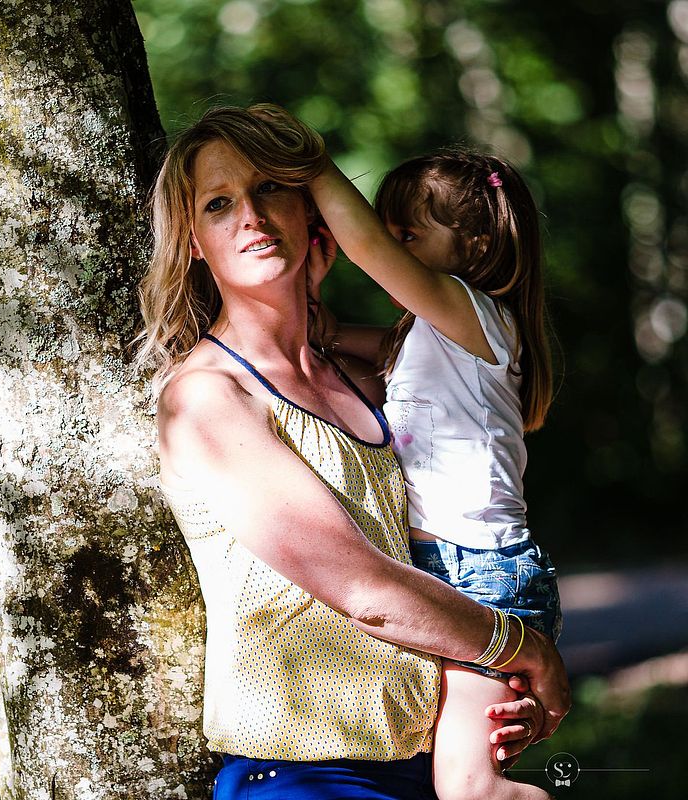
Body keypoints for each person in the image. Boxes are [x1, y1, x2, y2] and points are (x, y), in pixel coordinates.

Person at [134, 104, 569, 800]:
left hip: (420, 768)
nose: (250, 214)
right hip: (309, 779)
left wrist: (490, 686)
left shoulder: (372, 377)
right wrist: (520, 648)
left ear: (316, 212)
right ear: (192, 240)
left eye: (271, 185)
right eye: (220, 203)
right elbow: (366, 590)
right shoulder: (209, 401)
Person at [306, 149, 562, 800]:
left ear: (476, 244)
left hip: (481, 575)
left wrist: (305, 158)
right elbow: (354, 346)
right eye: (391, 233)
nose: (392, 247)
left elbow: (362, 243)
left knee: (471, 789)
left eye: (409, 235)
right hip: (440, 570)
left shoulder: (473, 312)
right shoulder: (434, 331)